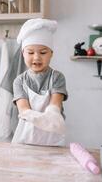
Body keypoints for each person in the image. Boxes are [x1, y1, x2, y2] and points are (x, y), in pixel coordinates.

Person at [11, 18, 68, 146]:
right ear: (23, 53)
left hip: (52, 139)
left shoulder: (57, 77)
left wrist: (53, 114)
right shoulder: (19, 81)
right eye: (30, 52)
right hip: (26, 139)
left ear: (51, 53)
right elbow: (24, 111)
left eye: (43, 52)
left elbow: (55, 105)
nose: (36, 57)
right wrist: (40, 119)